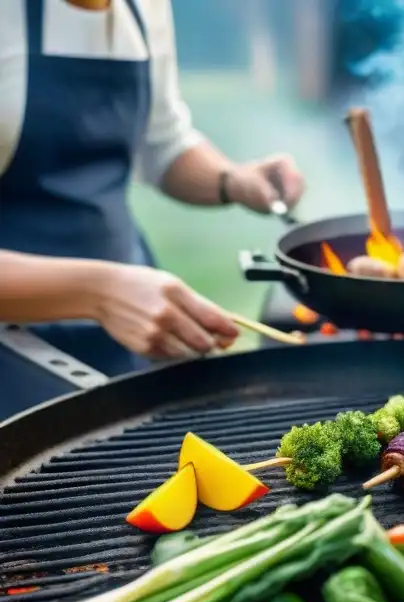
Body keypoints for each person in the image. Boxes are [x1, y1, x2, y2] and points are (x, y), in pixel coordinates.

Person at [0, 0, 305, 418]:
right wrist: (98, 292)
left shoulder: (145, 8)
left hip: (130, 317)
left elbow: (163, 141)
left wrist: (232, 179)